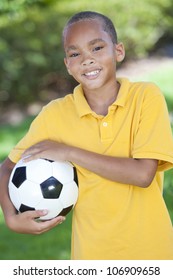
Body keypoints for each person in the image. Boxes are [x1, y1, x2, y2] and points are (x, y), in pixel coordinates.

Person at [0, 10, 173, 260]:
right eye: (74, 54)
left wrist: (69, 152)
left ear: (119, 51)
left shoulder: (145, 97)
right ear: (67, 65)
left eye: (97, 48)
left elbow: (143, 174)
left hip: (153, 254)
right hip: (91, 258)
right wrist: (11, 218)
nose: (87, 59)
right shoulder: (55, 115)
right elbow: (6, 169)